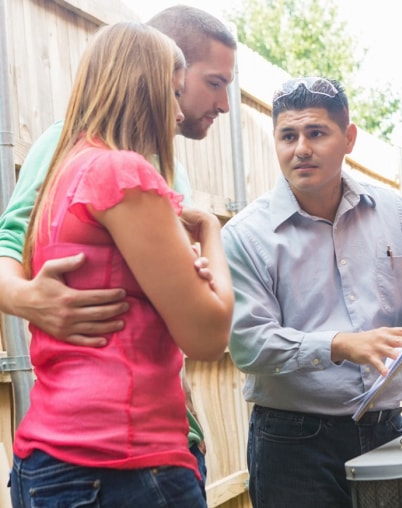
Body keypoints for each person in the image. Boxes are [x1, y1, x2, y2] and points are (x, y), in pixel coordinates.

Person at [0, 4, 237, 489]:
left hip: (63, 443)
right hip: (121, 455)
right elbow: (208, 335)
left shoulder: (82, 165)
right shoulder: (119, 170)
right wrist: (211, 232)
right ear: (156, 77)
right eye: (210, 83)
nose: (223, 103)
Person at [222, 76, 402, 507]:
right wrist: (339, 345)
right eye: (288, 136)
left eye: (316, 133)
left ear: (348, 138)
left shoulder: (396, 214)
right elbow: (248, 345)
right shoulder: (245, 235)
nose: (301, 149)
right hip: (291, 443)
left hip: (387, 429)